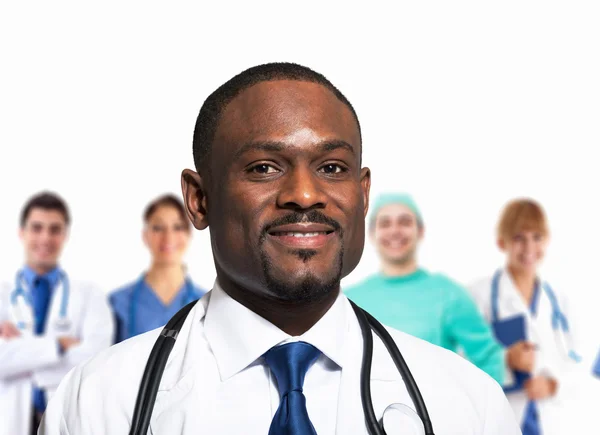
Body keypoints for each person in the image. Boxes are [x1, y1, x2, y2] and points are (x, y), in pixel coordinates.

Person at [40, 63, 519, 434]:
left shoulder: (464, 404)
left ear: (363, 192)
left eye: (332, 167)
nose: (306, 194)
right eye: (265, 167)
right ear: (199, 199)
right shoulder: (96, 402)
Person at [345, 193, 506, 384]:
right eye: (385, 223)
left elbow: (489, 358)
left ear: (420, 231)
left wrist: (476, 411)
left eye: (404, 222)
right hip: (366, 412)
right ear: (371, 234)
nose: (395, 230)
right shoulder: (349, 300)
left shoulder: (448, 294)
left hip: (434, 413)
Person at [469, 198, 587, 435]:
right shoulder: (478, 296)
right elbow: (460, 363)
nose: (529, 247)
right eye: (519, 238)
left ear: (547, 240)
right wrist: (505, 360)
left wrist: (554, 385)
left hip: (552, 419)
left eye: (537, 237)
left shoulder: (559, 301)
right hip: (500, 417)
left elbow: (580, 365)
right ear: (502, 242)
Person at [0, 192, 114, 435]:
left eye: (54, 229)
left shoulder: (91, 296)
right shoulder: (2, 294)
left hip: (66, 420)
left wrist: (21, 355)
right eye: (37, 228)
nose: (45, 237)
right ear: (22, 233)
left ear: (65, 235)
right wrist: (58, 346)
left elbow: (96, 361)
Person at [109, 194, 207, 343]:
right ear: (145, 235)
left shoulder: (205, 305)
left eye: (178, 227)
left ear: (189, 234)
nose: (168, 237)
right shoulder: (118, 303)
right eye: (158, 228)